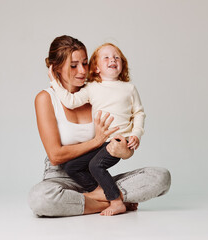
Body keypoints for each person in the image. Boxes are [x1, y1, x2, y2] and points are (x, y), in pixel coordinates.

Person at [28, 35, 171, 217]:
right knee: (40, 198)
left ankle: (96, 198)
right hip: (61, 179)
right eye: (73, 65)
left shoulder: (97, 93)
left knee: (161, 177)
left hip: (98, 174)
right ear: (56, 68)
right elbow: (56, 156)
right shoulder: (46, 98)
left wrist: (125, 151)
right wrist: (96, 141)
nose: (81, 71)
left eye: (85, 63)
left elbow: (121, 134)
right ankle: (111, 200)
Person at [48, 43, 145, 216]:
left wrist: (136, 134)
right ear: (97, 68)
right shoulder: (92, 88)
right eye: (106, 57)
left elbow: (138, 113)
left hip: (118, 141)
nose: (112, 60)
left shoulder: (129, 88)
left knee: (95, 165)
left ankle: (116, 202)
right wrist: (55, 83)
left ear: (122, 64)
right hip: (101, 142)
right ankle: (104, 194)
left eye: (116, 57)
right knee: (72, 167)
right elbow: (70, 101)